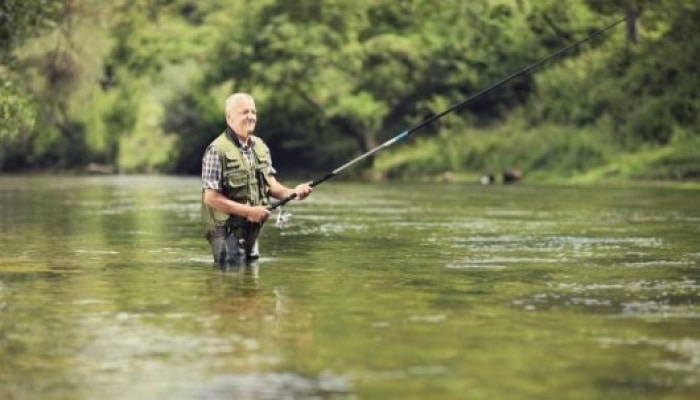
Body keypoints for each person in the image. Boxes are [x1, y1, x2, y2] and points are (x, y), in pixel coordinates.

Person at [201, 93, 313, 265]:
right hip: (226, 233)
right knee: (230, 286)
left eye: (253, 112)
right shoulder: (216, 150)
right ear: (229, 117)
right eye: (245, 112)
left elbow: (270, 185)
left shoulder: (260, 146)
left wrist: (293, 192)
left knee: (250, 285)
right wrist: (249, 212)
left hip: (252, 231)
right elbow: (211, 198)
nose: (251, 116)